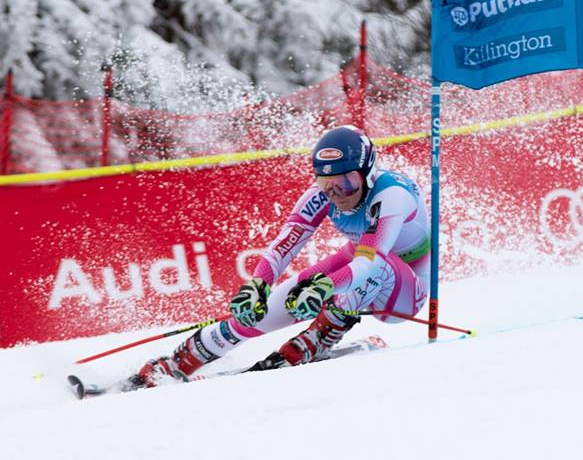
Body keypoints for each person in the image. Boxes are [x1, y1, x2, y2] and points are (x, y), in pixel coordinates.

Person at [132, 125, 430, 387]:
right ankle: (180, 362)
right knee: (265, 308)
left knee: (365, 271)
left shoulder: (391, 195)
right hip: (357, 266)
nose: (337, 193)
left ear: (368, 172)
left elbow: (372, 259)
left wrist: (328, 285)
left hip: (405, 292)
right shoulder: (319, 196)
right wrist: (258, 285)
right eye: (327, 185)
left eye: (346, 182)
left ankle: (316, 340)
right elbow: (285, 243)